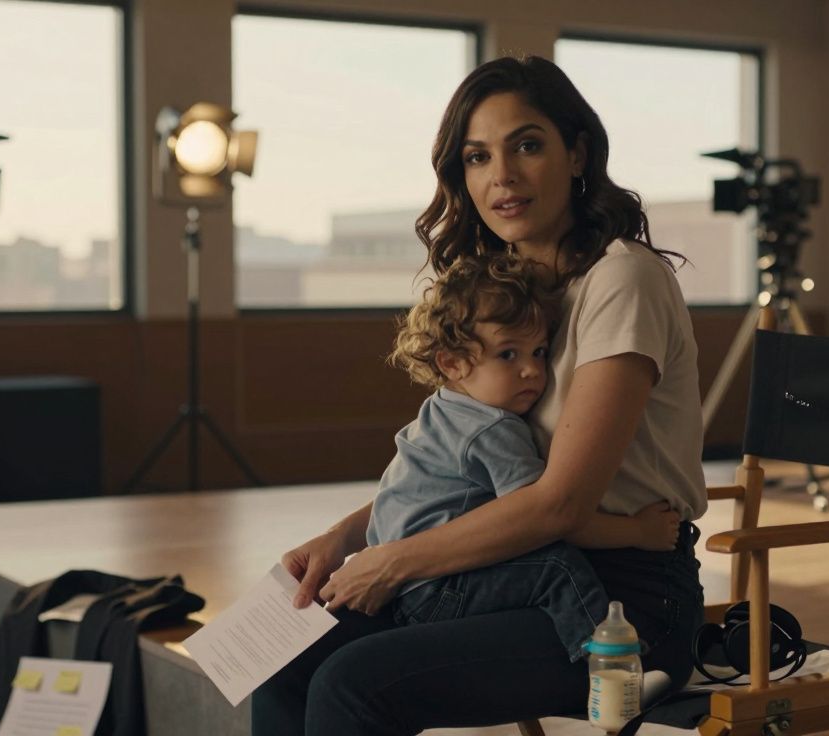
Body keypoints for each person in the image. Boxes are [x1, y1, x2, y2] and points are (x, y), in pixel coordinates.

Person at [253, 54, 707, 736]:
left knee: (356, 684)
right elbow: (453, 469)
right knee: (281, 658)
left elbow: (560, 502)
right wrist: (343, 540)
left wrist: (395, 561)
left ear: (578, 153)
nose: (502, 176)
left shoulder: (623, 280)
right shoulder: (504, 291)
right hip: (493, 566)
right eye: (476, 156)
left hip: (618, 597)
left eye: (527, 145)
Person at [374, 252, 680, 662]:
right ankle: (613, 664)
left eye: (538, 352)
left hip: (407, 588)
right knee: (557, 567)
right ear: (452, 363)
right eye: (508, 355)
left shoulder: (440, 410)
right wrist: (639, 532)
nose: (532, 371)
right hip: (442, 587)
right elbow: (554, 519)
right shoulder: (492, 429)